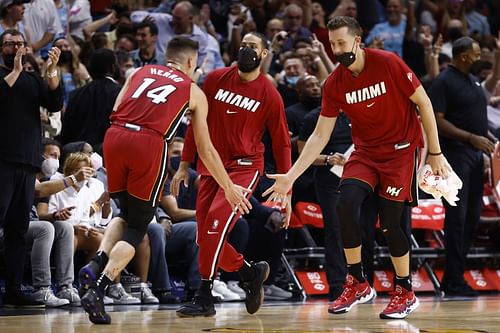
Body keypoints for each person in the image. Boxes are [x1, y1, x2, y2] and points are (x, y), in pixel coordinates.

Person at [263, 16, 450, 320]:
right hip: (364, 153)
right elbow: (319, 135)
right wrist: (291, 177)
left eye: (341, 43)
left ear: (357, 41)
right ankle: (357, 282)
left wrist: (436, 152)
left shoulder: (388, 63)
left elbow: (424, 103)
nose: (337, 49)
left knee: (390, 224)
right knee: (345, 205)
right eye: (332, 44)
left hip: (401, 151)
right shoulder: (335, 82)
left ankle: (405, 290)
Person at [77, 36, 250, 325]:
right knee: (139, 227)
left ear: (166, 55)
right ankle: (100, 285)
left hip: (115, 136)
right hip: (149, 143)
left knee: (128, 216)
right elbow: (205, 150)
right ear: (193, 62)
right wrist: (229, 186)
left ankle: (96, 263)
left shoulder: (137, 72)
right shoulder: (193, 91)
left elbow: (116, 108)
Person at [173, 31, 292, 317]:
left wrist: (287, 189)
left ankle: (204, 296)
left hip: (245, 167)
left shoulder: (270, 93)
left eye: (253, 47)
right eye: (243, 44)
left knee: (215, 222)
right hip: (211, 166)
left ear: (264, 54)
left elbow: (281, 142)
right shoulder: (214, 79)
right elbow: (196, 126)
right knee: (205, 237)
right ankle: (249, 273)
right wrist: (184, 164)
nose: (246, 49)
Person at [428, 36, 496, 296]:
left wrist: (489, 142)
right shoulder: (444, 81)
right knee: (457, 218)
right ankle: (454, 279)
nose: (481, 56)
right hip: (454, 156)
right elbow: (436, 121)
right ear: (464, 55)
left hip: (476, 155)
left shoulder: (473, 81)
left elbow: (476, 121)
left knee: (472, 217)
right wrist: (470, 138)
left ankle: (453, 277)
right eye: (477, 52)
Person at [0, 28, 62, 307]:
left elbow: (55, 102)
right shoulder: (5, 77)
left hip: (27, 163)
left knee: (17, 229)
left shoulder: (33, 79)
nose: (15, 47)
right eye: (10, 44)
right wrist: (14, 70)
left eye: (20, 43)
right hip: (2, 160)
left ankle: (13, 290)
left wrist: (51, 70)